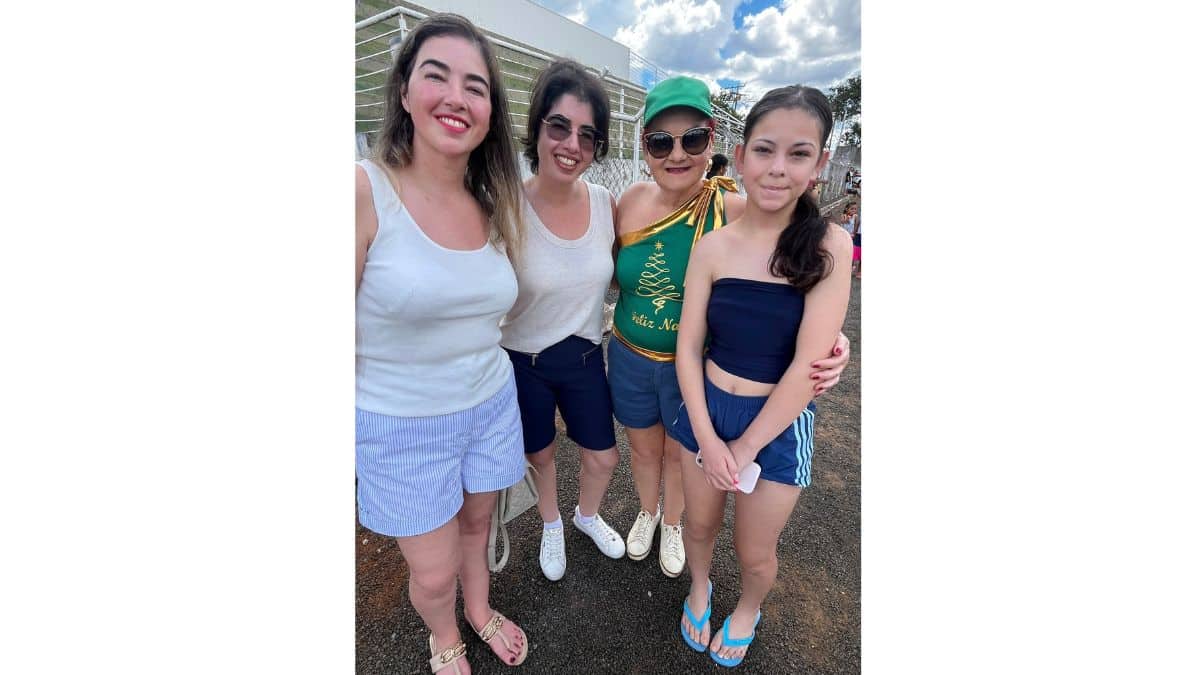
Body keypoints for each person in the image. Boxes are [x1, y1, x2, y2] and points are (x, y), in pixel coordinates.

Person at [609, 76, 851, 581]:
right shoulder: (628, 202)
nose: (677, 154)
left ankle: (672, 523)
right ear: (645, 147)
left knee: (678, 453)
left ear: (714, 141)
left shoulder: (738, 209)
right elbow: (603, 276)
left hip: (694, 366)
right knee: (643, 448)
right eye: (661, 142)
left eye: (693, 139)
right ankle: (648, 511)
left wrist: (832, 340)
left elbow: (791, 272)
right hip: (631, 354)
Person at [355, 14, 529, 674]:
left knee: (477, 528)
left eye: (475, 86)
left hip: (490, 404)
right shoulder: (364, 191)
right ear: (404, 91)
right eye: (437, 76)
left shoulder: (493, 202)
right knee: (432, 573)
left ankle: (479, 610)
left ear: (490, 112)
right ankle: (444, 632)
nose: (457, 97)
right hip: (401, 423)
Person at [671, 85, 852, 668]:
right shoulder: (713, 247)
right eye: (765, 150)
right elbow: (688, 348)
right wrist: (707, 438)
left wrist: (745, 447)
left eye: (798, 154)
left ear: (820, 163)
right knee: (698, 527)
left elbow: (808, 366)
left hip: (777, 425)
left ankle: (748, 608)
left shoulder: (829, 245)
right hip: (706, 412)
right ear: (742, 155)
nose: (778, 168)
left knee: (755, 552)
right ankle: (700, 588)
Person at [500, 58, 625, 582]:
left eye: (587, 135)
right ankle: (551, 523)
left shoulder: (605, 203)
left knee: (604, 456)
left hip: (584, 353)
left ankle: (585, 516)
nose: (572, 144)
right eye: (559, 127)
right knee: (541, 452)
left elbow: (640, 270)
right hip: (522, 358)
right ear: (537, 128)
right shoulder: (506, 205)